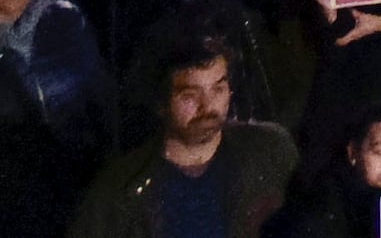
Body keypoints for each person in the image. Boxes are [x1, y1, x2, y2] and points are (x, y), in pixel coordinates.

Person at [59, 40, 292, 238]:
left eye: (218, 89)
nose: (207, 106)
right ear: (161, 103)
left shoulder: (269, 151)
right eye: (190, 95)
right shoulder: (118, 191)